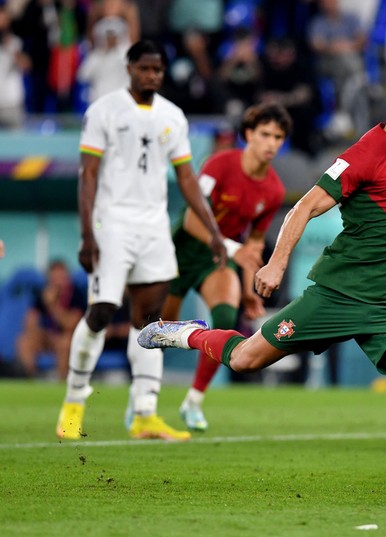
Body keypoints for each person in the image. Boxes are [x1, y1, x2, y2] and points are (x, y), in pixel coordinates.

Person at [138, 66, 386, 499]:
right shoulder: (364, 155)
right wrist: (275, 264)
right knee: (246, 359)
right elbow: (303, 208)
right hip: (337, 295)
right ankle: (186, 336)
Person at [55, 40, 226, 442]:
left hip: (152, 227)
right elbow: (89, 174)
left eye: (158, 70)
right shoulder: (104, 111)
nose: (151, 76)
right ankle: (74, 402)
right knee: (101, 311)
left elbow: (186, 177)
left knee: (150, 321)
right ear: (129, 67)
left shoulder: (173, 116)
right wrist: (87, 234)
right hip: (112, 222)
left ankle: (144, 412)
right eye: (145, 68)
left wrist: (214, 232)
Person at [162, 103, 290, 432]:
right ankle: (142, 402)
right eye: (265, 134)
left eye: (278, 137)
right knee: (157, 329)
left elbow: (254, 246)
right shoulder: (220, 164)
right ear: (248, 135)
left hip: (218, 258)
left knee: (222, 319)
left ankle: (193, 401)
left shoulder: (274, 190)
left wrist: (249, 291)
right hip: (182, 248)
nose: (271, 143)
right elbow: (192, 218)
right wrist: (233, 249)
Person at [16, 260, 85, 379]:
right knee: (24, 341)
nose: (58, 282)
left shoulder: (76, 294)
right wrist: (36, 329)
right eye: (54, 278)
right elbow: (29, 321)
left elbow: (70, 324)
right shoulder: (43, 293)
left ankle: (62, 382)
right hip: (47, 336)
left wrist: (52, 305)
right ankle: (28, 380)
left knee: (65, 343)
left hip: (68, 337)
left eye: (61, 278)